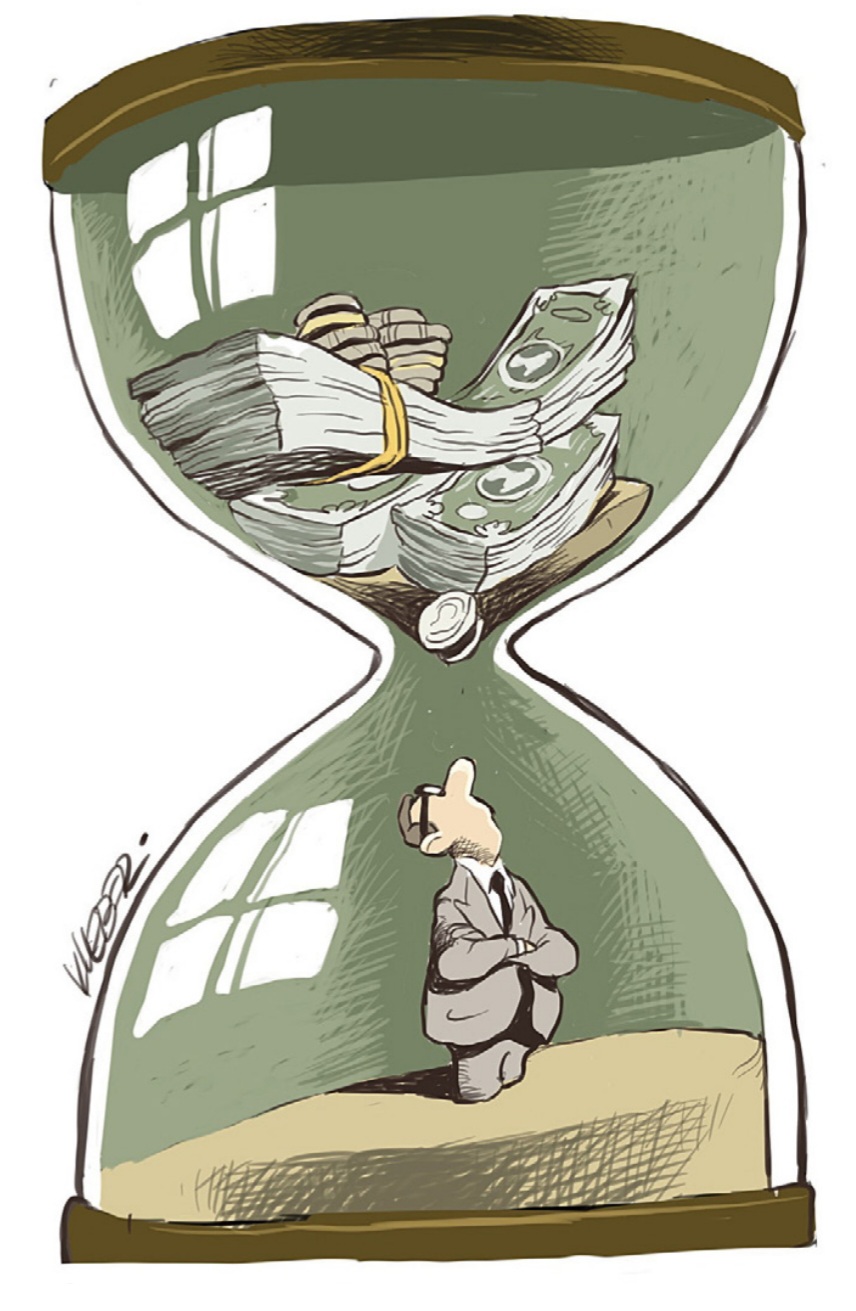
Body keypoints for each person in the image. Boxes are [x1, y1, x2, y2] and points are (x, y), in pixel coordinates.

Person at [398, 757, 578, 1103]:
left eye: (487, 816)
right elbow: (453, 962)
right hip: (476, 1022)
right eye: (478, 819)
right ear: (441, 841)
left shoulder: (515, 887)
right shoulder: (453, 899)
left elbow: (551, 941)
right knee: (480, 1091)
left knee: (513, 1077)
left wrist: (546, 953)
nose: (489, 823)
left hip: (528, 1018)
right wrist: (513, 948)